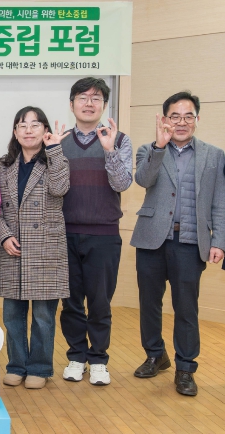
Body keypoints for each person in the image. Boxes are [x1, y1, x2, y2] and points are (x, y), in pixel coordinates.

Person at [131, 91, 225, 396]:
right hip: (151, 240)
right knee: (149, 303)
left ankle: (185, 368)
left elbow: (220, 202)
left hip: (190, 242)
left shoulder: (215, 155)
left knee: (186, 308)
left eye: (188, 116)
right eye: (175, 116)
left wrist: (219, 241)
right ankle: (155, 355)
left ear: (197, 119)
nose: (181, 122)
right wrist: (159, 146)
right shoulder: (148, 149)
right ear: (164, 120)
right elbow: (143, 180)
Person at [59, 77, 133, 386]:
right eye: (83, 97)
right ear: (72, 103)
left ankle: (99, 359)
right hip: (64, 233)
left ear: (104, 105)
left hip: (104, 234)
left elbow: (122, 184)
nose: (89, 103)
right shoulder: (59, 141)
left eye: (96, 98)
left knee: (100, 302)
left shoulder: (119, 139)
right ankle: (77, 356)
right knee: (71, 302)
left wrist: (109, 151)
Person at [0, 107, 70, 390]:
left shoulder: (56, 160)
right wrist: (3, 236)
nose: (28, 130)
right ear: (15, 132)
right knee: (12, 315)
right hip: (12, 247)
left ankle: (39, 367)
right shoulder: (4, 165)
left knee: (43, 316)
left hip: (45, 248)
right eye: (22, 125)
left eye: (35, 124)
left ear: (45, 130)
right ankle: (16, 365)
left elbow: (60, 189)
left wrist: (55, 149)